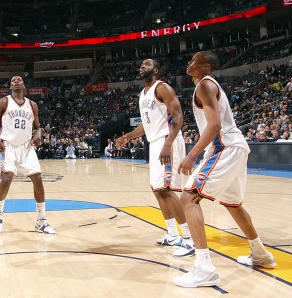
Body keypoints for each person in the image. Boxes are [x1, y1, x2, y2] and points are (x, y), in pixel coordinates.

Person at [173, 52, 276, 288]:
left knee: (188, 199)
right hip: (235, 147)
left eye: (194, 59)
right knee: (233, 204)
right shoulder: (206, 85)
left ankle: (204, 269)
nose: (188, 61)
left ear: (205, 66)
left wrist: (191, 155)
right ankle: (260, 254)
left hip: (224, 147)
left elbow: (215, 125)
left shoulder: (205, 85)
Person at [117, 59, 194, 256]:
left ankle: (189, 239)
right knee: (158, 190)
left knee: (167, 190)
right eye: (141, 64)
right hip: (155, 142)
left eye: (147, 64)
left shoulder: (162, 87)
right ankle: (172, 234)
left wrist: (168, 143)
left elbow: (178, 117)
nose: (142, 66)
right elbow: (146, 125)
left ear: (156, 70)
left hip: (167, 140)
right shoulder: (143, 94)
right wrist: (128, 136)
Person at [0, 76, 55, 234]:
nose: (15, 82)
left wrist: (38, 134)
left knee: (37, 179)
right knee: (7, 177)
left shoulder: (32, 105)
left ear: (24, 84)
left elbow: (38, 127)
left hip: (27, 147)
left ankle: (41, 221)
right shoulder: (3, 102)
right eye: (12, 81)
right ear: (10, 86)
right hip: (7, 147)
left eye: (18, 80)